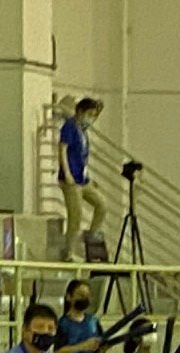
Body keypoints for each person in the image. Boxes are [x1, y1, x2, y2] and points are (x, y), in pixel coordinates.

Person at [58, 98, 109, 261]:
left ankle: (92, 235)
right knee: (76, 215)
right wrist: (67, 173)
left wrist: (88, 178)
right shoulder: (69, 126)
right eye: (89, 114)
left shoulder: (83, 131)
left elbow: (83, 158)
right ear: (80, 112)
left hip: (82, 179)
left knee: (101, 204)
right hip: (71, 180)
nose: (91, 118)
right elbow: (63, 150)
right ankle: (68, 251)